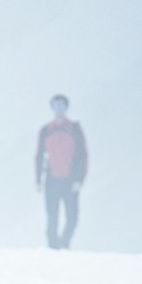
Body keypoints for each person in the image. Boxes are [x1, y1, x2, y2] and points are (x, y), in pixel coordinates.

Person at [35, 94, 88, 249]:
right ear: (52, 108)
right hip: (51, 179)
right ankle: (53, 247)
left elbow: (82, 155)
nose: (59, 109)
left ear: (66, 108)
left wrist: (79, 179)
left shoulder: (74, 129)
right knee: (52, 216)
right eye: (56, 106)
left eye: (62, 106)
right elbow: (39, 155)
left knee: (72, 217)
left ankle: (64, 243)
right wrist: (38, 179)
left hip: (70, 180)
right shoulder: (46, 130)